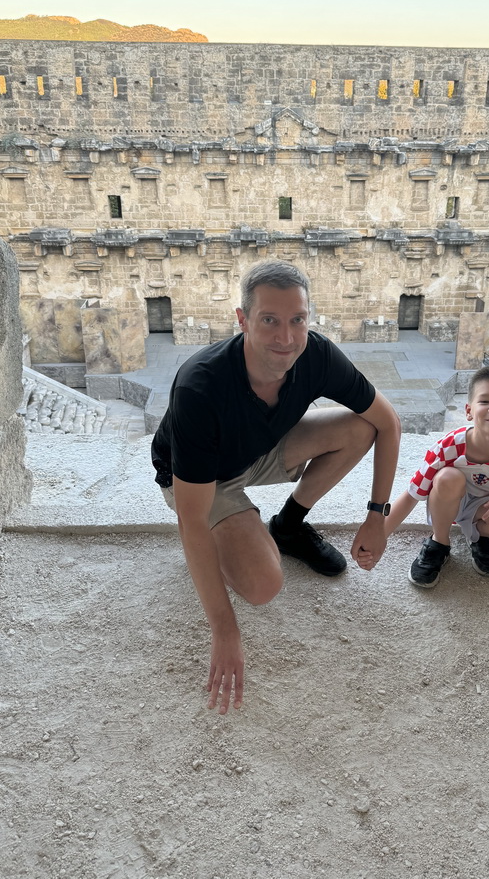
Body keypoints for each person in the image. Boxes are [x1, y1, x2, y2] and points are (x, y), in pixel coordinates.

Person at [151, 260, 401, 713]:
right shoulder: (200, 387)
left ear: (309, 318)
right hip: (199, 478)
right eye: (269, 320)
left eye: (297, 320)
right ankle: (234, 528)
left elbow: (388, 423)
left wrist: (376, 515)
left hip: (261, 447)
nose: (286, 338)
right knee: (263, 586)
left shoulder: (316, 355)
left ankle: (287, 525)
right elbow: (191, 519)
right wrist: (224, 629)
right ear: (242, 319)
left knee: (360, 428)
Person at [384, 364, 489, 588]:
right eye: (484, 401)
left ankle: (480, 537)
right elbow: (414, 493)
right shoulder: (449, 446)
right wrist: (379, 533)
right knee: (447, 478)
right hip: (449, 502)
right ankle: (438, 542)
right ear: (469, 410)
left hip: (486, 511)